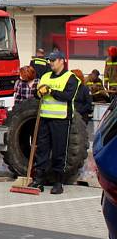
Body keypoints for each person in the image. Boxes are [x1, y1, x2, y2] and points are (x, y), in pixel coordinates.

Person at [32, 51, 80, 194]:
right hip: (45, 118)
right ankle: (39, 180)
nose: (50, 63)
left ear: (61, 61)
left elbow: (68, 96)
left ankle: (58, 183)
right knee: (42, 150)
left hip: (61, 120)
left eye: (53, 60)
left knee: (59, 151)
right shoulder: (45, 76)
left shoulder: (70, 78)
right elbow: (37, 93)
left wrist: (51, 91)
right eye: (49, 60)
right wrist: (39, 92)